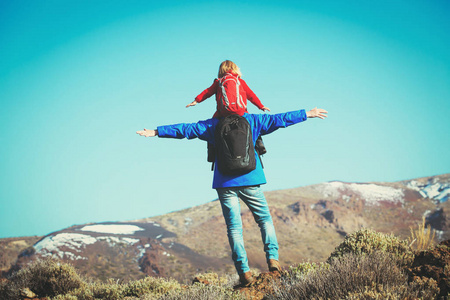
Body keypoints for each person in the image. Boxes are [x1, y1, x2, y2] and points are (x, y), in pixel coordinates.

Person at [136, 107, 328, 286]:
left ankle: (244, 271)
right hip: (251, 179)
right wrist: (306, 113)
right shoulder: (253, 120)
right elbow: (279, 119)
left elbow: (186, 130)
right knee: (264, 220)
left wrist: (156, 131)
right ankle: (272, 259)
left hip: (225, 183)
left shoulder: (213, 125)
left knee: (235, 229)